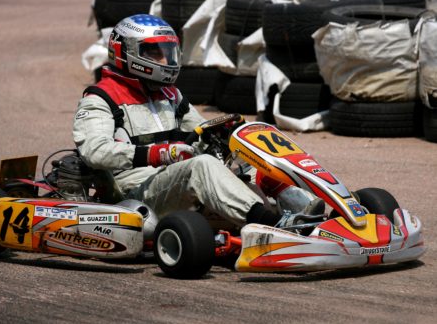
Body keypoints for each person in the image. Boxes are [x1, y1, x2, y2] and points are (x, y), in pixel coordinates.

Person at [72, 14, 322, 229]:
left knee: (249, 155)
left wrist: (227, 135)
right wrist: (157, 154)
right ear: (126, 52)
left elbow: (199, 129)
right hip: (136, 194)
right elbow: (95, 151)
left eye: (167, 53)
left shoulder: (170, 94)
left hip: (173, 181)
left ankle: (307, 209)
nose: (164, 61)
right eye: (154, 53)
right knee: (200, 166)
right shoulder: (101, 99)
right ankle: (272, 226)